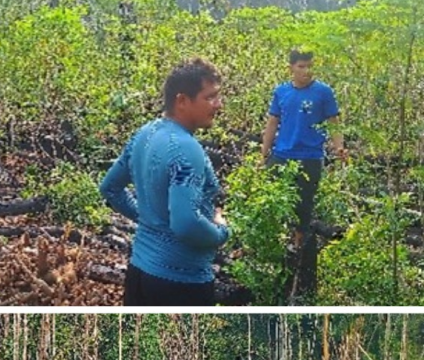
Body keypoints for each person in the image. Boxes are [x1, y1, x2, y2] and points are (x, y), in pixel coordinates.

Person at [100, 59, 229, 306]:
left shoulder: (144, 134)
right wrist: (221, 233)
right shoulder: (186, 149)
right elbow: (186, 224)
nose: (219, 105)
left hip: (139, 274)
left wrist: (151, 221)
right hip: (181, 284)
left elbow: (110, 188)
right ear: (182, 101)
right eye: (210, 97)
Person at [261, 49, 345, 301]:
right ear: (291, 68)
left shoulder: (323, 92)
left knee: (303, 206)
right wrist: (264, 152)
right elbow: (272, 123)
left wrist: (339, 146)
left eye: (309, 66)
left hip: (310, 157)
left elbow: (334, 122)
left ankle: (297, 251)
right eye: (301, 66)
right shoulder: (281, 92)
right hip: (282, 154)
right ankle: (275, 248)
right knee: (274, 201)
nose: (306, 71)